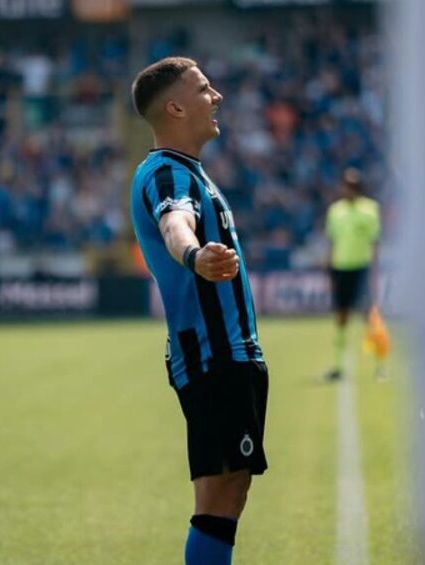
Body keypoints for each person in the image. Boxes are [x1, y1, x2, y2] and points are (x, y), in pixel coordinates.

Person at [130, 57, 269, 565]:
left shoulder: (187, 171)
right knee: (219, 499)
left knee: (228, 494)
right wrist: (193, 255)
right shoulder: (167, 173)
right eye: (205, 89)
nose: (217, 97)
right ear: (175, 108)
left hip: (225, 355)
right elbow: (175, 224)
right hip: (215, 356)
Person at [324, 168, 381, 381]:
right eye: (345, 185)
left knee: (370, 317)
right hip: (341, 269)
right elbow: (332, 242)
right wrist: (330, 271)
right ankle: (338, 366)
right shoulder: (335, 211)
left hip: (361, 268)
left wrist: (373, 272)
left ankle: (379, 364)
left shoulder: (370, 209)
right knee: (341, 318)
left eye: (351, 185)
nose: (347, 189)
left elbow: (374, 242)